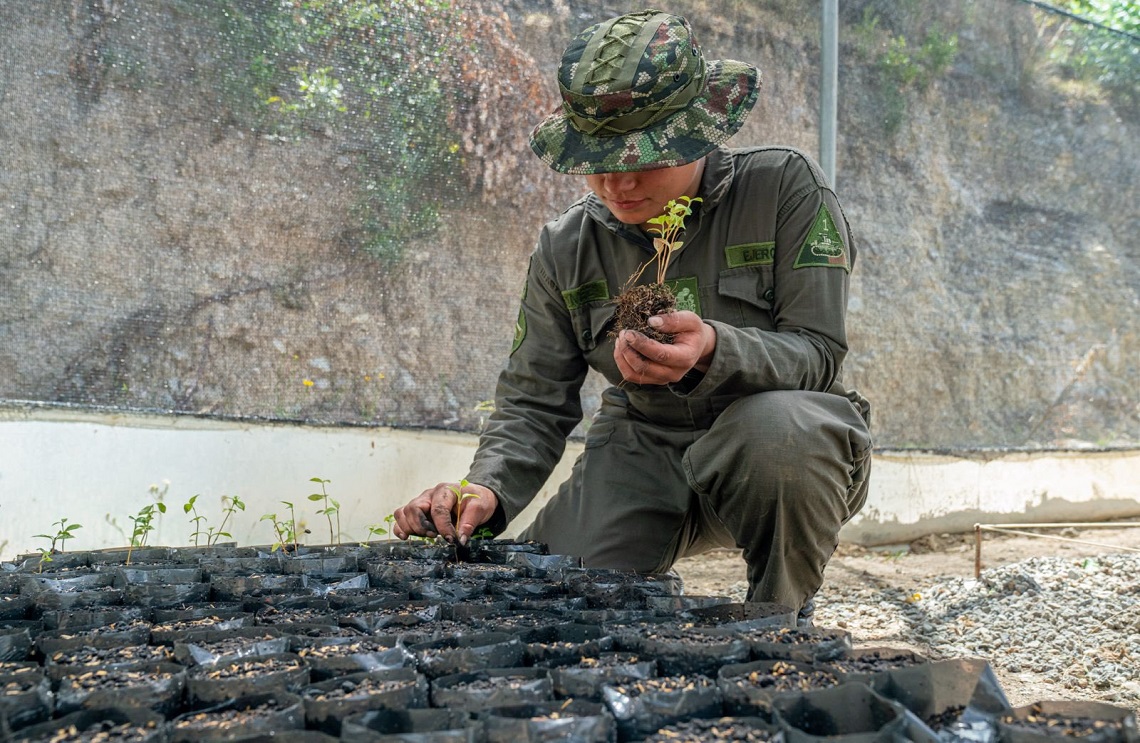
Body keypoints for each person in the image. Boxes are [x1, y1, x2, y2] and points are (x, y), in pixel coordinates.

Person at [392, 8, 872, 623]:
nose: (619, 184)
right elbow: (532, 402)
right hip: (644, 446)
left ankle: (777, 626)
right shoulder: (568, 247)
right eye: (598, 161)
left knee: (777, 430)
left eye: (643, 158)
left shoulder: (783, 190)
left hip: (785, 449)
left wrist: (712, 348)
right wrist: (486, 487)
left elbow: (817, 351)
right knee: (553, 601)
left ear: (697, 132)